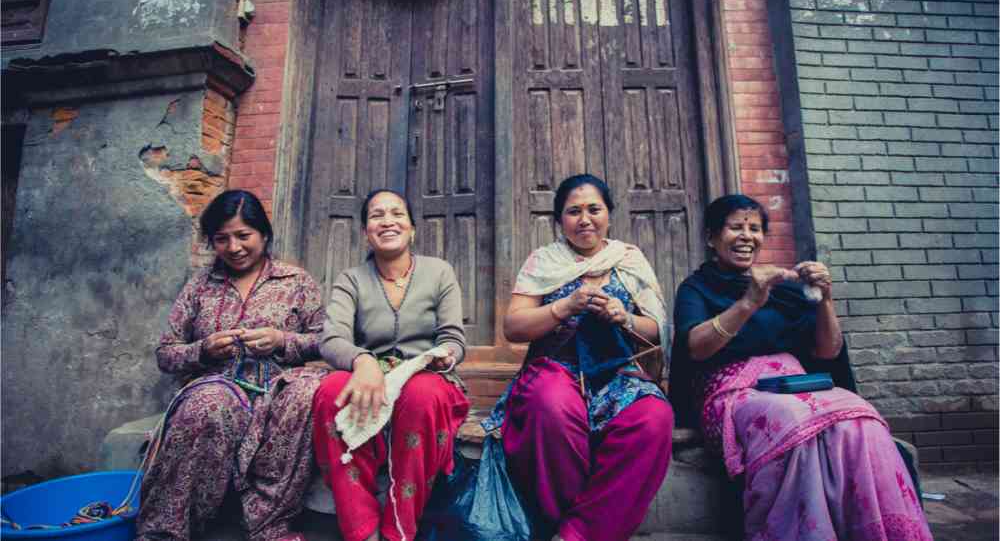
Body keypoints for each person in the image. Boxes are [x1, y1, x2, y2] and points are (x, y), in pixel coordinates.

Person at [668, 194, 932, 541]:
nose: (747, 236)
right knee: (789, 421)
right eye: (735, 227)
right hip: (732, 395)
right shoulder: (697, 289)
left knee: (860, 418)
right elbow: (696, 348)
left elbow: (827, 350)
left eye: (755, 228)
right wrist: (748, 302)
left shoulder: (786, 291)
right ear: (712, 238)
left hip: (799, 387)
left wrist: (825, 299)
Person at [482, 174, 675, 541]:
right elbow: (515, 327)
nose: (584, 219)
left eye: (593, 209)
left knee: (653, 418)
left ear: (609, 215)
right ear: (559, 221)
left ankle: (577, 534)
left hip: (616, 373)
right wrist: (563, 307)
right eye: (573, 211)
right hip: (557, 367)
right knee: (550, 408)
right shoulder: (544, 261)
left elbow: (656, 330)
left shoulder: (629, 259)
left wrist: (625, 317)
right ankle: (567, 524)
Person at [137, 190, 327, 541]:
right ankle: (166, 530)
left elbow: (324, 341)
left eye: (244, 236)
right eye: (222, 239)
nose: (234, 247)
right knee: (210, 404)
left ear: (264, 235)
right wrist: (204, 350)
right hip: (217, 388)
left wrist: (282, 340)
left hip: (277, 391)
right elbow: (166, 353)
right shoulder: (200, 286)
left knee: (306, 393)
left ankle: (267, 524)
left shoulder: (297, 282)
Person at [311, 189, 470, 541]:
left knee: (422, 394)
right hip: (369, 375)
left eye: (397, 213)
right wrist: (362, 360)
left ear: (412, 228)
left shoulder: (439, 272)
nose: (387, 221)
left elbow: (455, 338)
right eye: (377, 215)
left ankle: (400, 528)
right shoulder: (351, 279)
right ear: (366, 231)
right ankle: (361, 528)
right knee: (329, 391)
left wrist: (446, 354)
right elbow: (331, 338)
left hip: (425, 375)